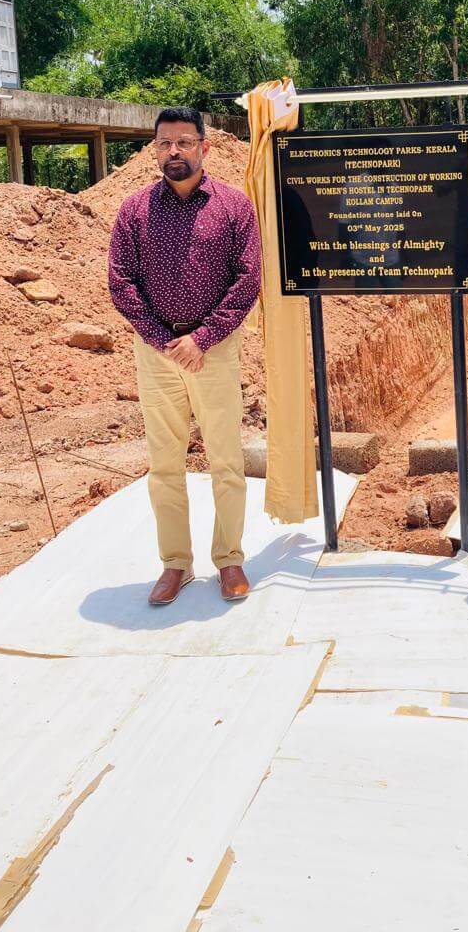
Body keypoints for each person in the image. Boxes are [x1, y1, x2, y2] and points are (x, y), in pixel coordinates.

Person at [108, 106, 262, 606]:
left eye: (184, 142)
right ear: (154, 150)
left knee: (225, 458)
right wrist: (162, 338)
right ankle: (175, 563)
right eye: (164, 143)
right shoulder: (134, 211)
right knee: (164, 463)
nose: (173, 151)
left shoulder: (234, 207)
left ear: (204, 147)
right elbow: (121, 282)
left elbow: (247, 279)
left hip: (213, 351)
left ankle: (230, 559)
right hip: (157, 353)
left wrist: (203, 337)